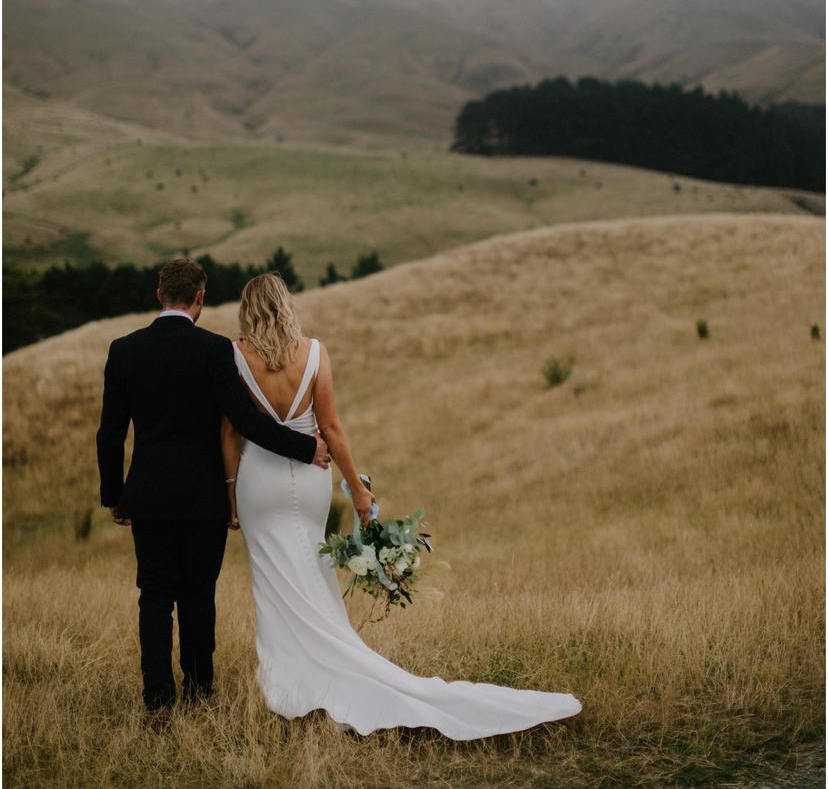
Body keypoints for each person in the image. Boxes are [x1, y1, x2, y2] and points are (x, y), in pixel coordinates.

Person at [221, 271, 582, 738]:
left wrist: (230, 494)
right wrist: (358, 490)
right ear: (286, 305)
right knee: (313, 569)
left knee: (272, 577)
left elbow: (230, 432)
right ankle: (326, 661)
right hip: (310, 480)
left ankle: (286, 680)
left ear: (247, 309)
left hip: (258, 481)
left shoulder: (235, 355)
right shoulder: (314, 353)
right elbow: (331, 429)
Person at [95, 257, 331, 719]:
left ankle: (159, 700)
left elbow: (109, 433)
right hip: (202, 497)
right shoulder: (214, 350)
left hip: (149, 495)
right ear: (199, 299)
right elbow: (244, 423)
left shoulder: (123, 350)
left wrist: (115, 494)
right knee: (198, 595)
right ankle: (200, 695)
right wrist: (306, 448)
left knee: (156, 595)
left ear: (159, 295)